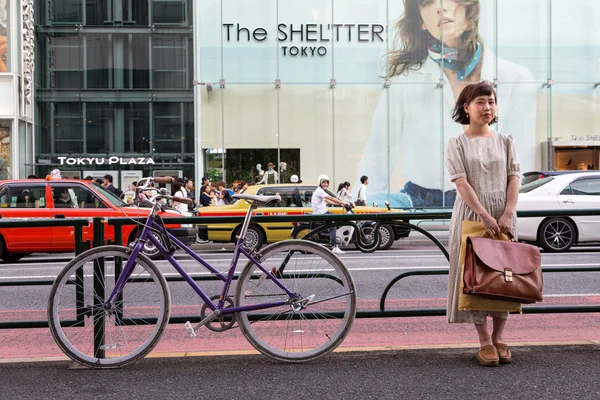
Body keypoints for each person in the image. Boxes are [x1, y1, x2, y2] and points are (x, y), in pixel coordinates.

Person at [356, 0, 535, 208]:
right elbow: (378, 154)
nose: (441, 6)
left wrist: (509, 212)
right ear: (421, 21)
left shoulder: (517, 79)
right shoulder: (403, 81)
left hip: (486, 200)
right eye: (427, 2)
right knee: (371, 202)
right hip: (417, 200)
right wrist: (362, 216)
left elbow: (519, 165)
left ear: (470, 10)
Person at [445, 81, 520, 367]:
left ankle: (500, 336)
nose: (487, 107)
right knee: (474, 277)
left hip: (504, 214)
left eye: (491, 101)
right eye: (480, 102)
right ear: (466, 108)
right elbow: (461, 183)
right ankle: (484, 340)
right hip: (471, 214)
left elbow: (514, 177)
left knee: (504, 274)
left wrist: (507, 213)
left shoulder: (506, 140)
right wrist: (485, 215)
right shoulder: (456, 143)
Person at [311, 174, 350, 255]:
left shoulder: (320, 191)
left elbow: (328, 201)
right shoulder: (319, 191)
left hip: (323, 212)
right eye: (323, 182)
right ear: (320, 183)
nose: (325, 184)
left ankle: (332, 240)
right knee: (333, 227)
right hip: (321, 213)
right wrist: (344, 202)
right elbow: (331, 198)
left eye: (327, 182)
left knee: (334, 223)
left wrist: (341, 204)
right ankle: (334, 246)